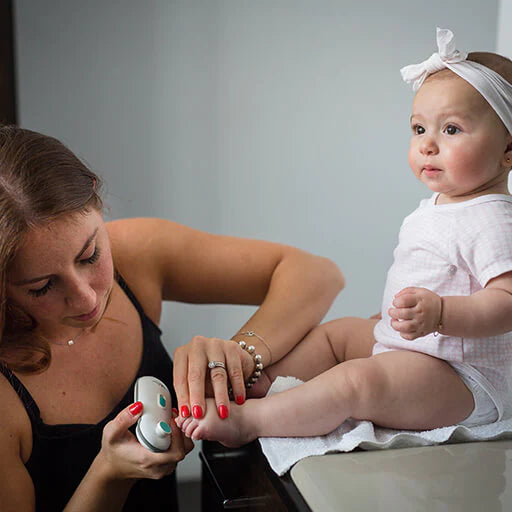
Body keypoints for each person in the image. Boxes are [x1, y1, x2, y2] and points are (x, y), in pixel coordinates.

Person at [176, 28, 512, 447]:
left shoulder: (493, 220)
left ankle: (252, 419)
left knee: (357, 381)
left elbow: (506, 302)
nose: (427, 145)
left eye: (451, 130)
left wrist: (441, 313)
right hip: (418, 349)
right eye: (419, 128)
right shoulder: (443, 205)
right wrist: (388, 319)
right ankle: (264, 384)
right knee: (336, 334)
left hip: (463, 379)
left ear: (507, 150)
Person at [0, 125, 344, 511]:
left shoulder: (136, 251)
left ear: (96, 196)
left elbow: (317, 274)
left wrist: (242, 352)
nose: (86, 297)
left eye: (90, 256)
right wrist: (109, 473)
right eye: (43, 286)